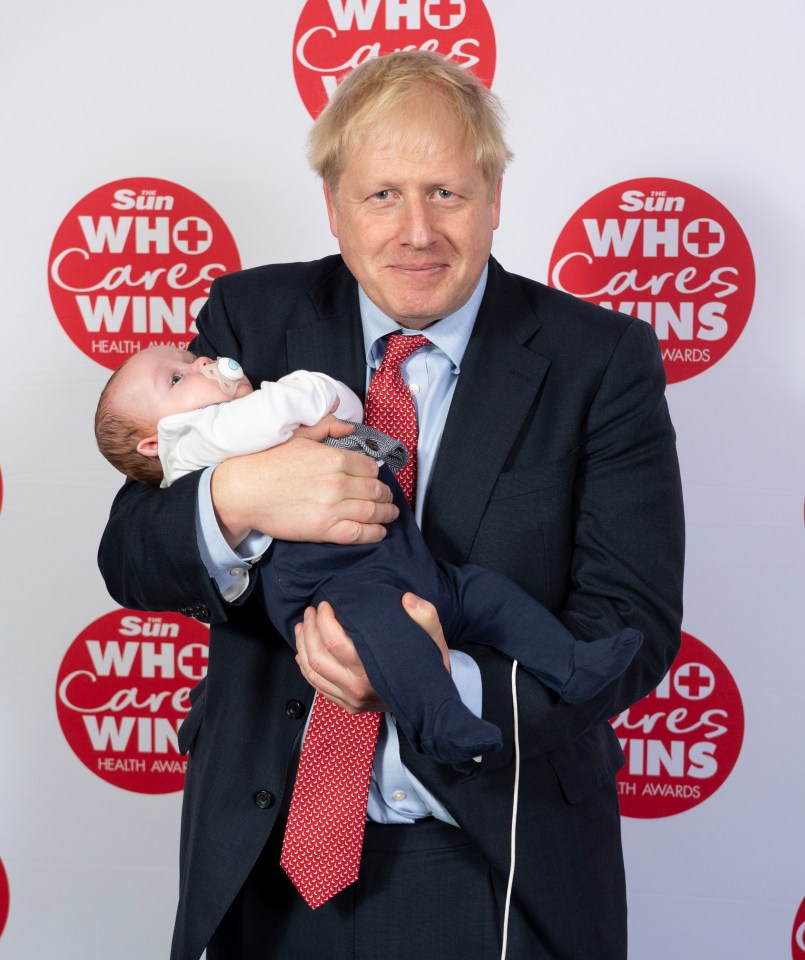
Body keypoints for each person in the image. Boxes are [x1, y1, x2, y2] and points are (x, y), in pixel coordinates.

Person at [97, 50, 684, 960]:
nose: (417, 232)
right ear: (334, 205)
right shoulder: (249, 320)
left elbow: (631, 625)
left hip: (491, 856)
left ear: (493, 195)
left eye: (446, 193)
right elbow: (131, 553)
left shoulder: (597, 360)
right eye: (382, 196)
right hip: (268, 852)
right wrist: (237, 494)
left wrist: (435, 683)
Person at [95, 344, 642, 763]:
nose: (204, 363)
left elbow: (340, 403)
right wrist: (240, 487)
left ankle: (570, 664)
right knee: (393, 635)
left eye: (192, 358)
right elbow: (135, 545)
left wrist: (296, 403)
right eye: (178, 376)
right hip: (340, 591)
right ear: (153, 442)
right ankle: (440, 722)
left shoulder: (605, 352)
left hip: (410, 561)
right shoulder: (189, 441)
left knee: (486, 593)